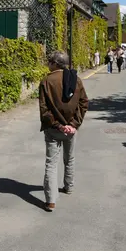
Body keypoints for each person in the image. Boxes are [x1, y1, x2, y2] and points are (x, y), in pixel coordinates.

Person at [39, 51, 89, 212]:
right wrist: (74, 124)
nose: (47, 64)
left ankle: (51, 200)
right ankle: (69, 186)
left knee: (51, 163)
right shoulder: (76, 80)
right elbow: (83, 103)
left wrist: (58, 125)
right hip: (71, 129)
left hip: (53, 129)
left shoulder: (46, 81)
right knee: (70, 158)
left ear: (54, 63)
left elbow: (44, 109)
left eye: (49, 61)